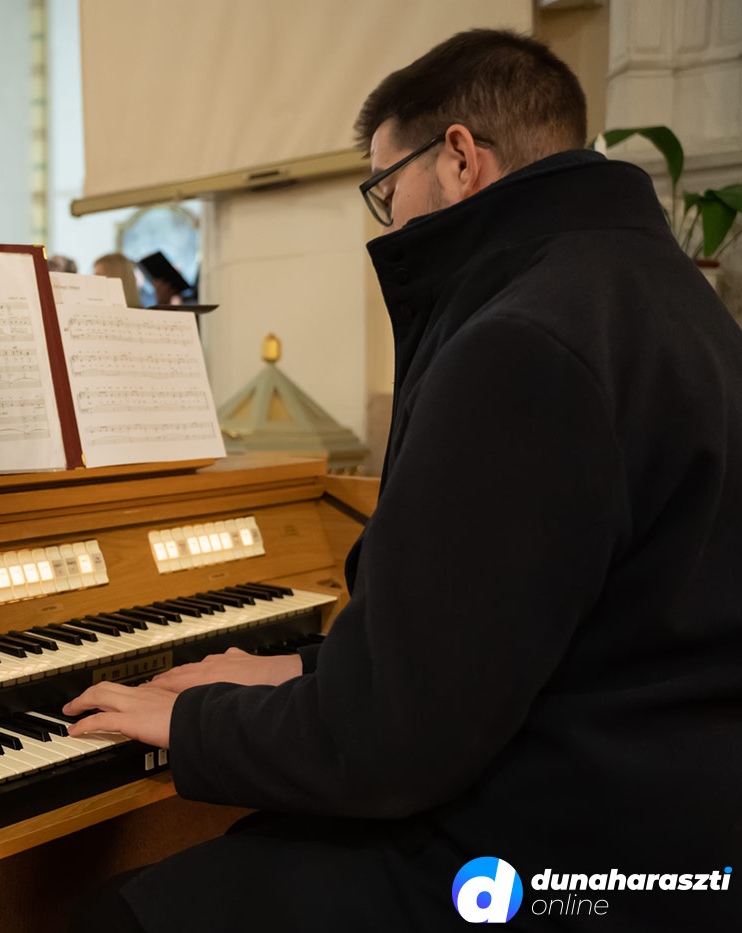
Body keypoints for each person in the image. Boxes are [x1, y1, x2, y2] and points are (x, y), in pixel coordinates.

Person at [64, 30, 742, 932]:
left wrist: (194, 725)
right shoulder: (665, 294)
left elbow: (393, 741)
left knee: (121, 916)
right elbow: (502, 636)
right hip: (666, 814)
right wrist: (292, 666)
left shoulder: (521, 343)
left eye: (384, 193)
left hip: (556, 850)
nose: (386, 229)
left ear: (459, 158)